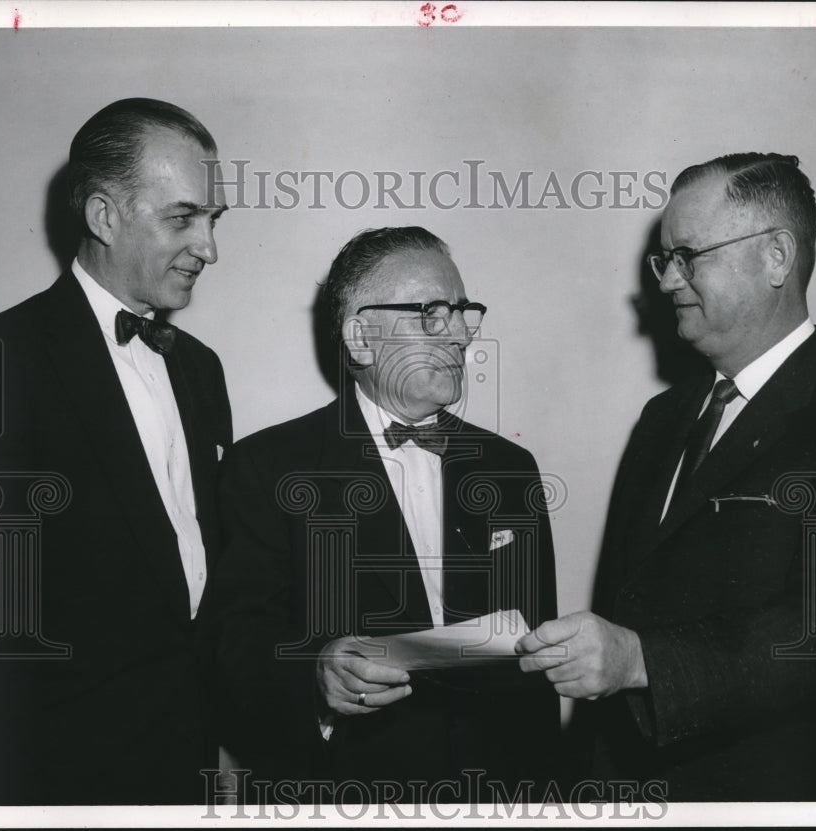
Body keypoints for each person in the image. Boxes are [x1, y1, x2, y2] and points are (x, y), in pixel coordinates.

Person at [517, 153, 816, 801]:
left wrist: (640, 660)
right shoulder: (662, 416)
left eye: (688, 255)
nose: (668, 282)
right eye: (664, 260)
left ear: (777, 255)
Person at [0, 98, 232, 805]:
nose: (210, 248)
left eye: (213, 221)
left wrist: (224, 744)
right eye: (183, 217)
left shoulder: (201, 367)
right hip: (57, 777)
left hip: (189, 764)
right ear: (103, 216)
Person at [214, 226, 559, 803]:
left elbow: (534, 663)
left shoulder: (511, 467)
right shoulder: (267, 467)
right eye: (431, 314)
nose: (460, 337)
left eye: (462, 313)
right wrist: (316, 672)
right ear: (360, 338)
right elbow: (234, 645)